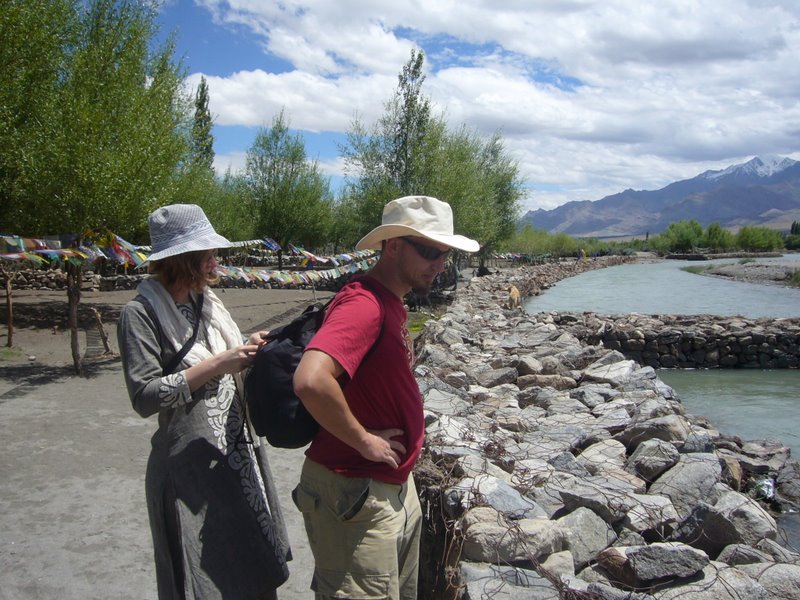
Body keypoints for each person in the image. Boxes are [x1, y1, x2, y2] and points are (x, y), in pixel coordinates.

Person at [292, 195, 479, 600]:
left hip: (389, 487)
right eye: (430, 251)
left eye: (445, 253)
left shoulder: (391, 302)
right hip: (355, 492)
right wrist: (365, 440)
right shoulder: (365, 304)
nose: (440, 263)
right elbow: (310, 380)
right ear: (393, 246)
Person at [117, 204, 291, 600]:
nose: (217, 259)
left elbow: (224, 360)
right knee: (204, 578)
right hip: (188, 470)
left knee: (251, 565)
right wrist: (219, 364)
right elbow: (145, 397)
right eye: (208, 252)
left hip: (236, 457)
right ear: (184, 259)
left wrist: (246, 349)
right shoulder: (139, 315)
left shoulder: (206, 303)